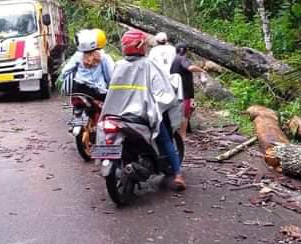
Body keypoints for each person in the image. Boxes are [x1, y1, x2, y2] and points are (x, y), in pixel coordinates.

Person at [103, 29, 186, 191]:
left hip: (117, 115)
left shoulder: (119, 65)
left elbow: (111, 90)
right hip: (142, 116)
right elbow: (164, 91)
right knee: (165, 139)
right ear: (141, 47)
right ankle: (178, 175)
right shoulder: (148, 65)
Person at [60, 28, 114, 100]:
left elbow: (65, 71)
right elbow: (110, 77)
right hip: (99, 92)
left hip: (79, 90)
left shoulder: (78, 55)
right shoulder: (103, 57)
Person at [171, 43, 206, 135]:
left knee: (187, 110)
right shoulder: (182, 58)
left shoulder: (174, 60)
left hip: (176, 90)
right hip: (184, 92)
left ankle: (182, 131)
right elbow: (190, 67)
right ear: (184, 50)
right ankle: (183, 135)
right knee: (185, 114)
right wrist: (202, 71)